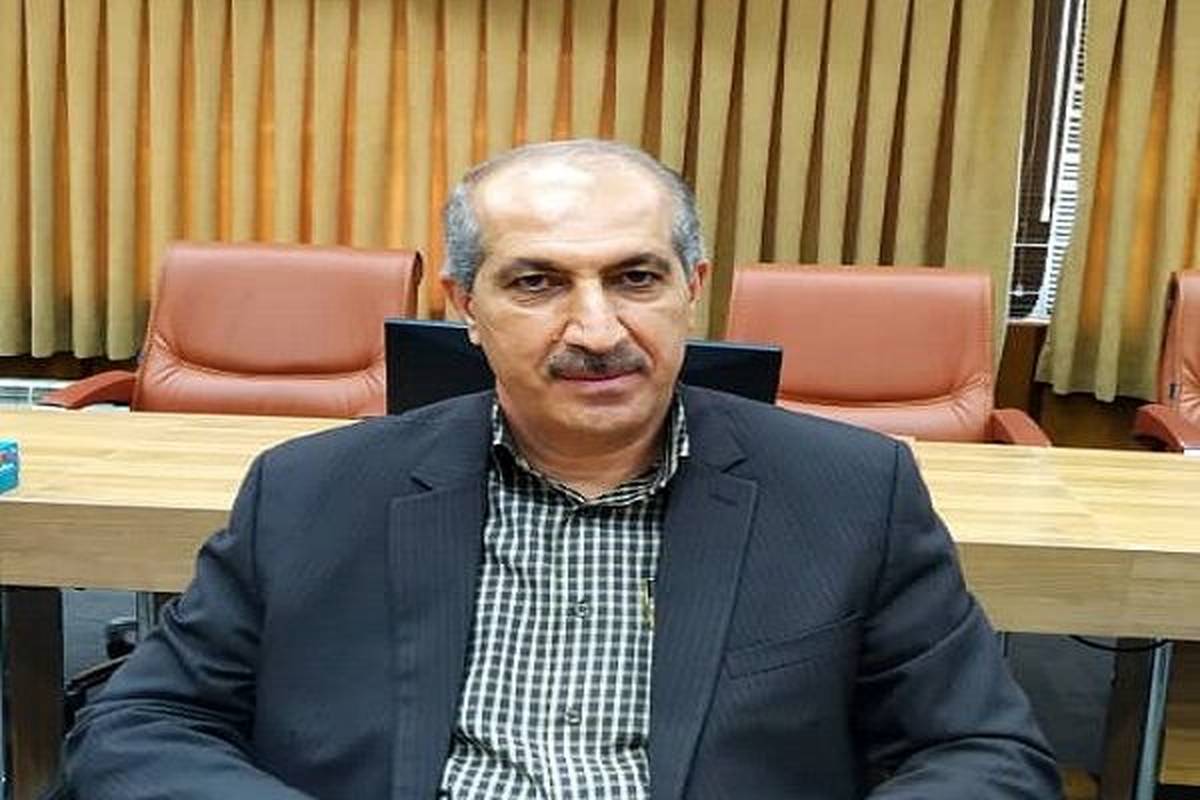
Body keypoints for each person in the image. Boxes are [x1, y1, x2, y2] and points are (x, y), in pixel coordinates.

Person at [64, 139, 1061, 799]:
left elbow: (983, 753)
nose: (596, 328)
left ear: (691, 289)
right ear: (465, 303)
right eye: (537, 282)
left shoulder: (850, 494)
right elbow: (141, 725)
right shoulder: (313, 491)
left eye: (635, 277)